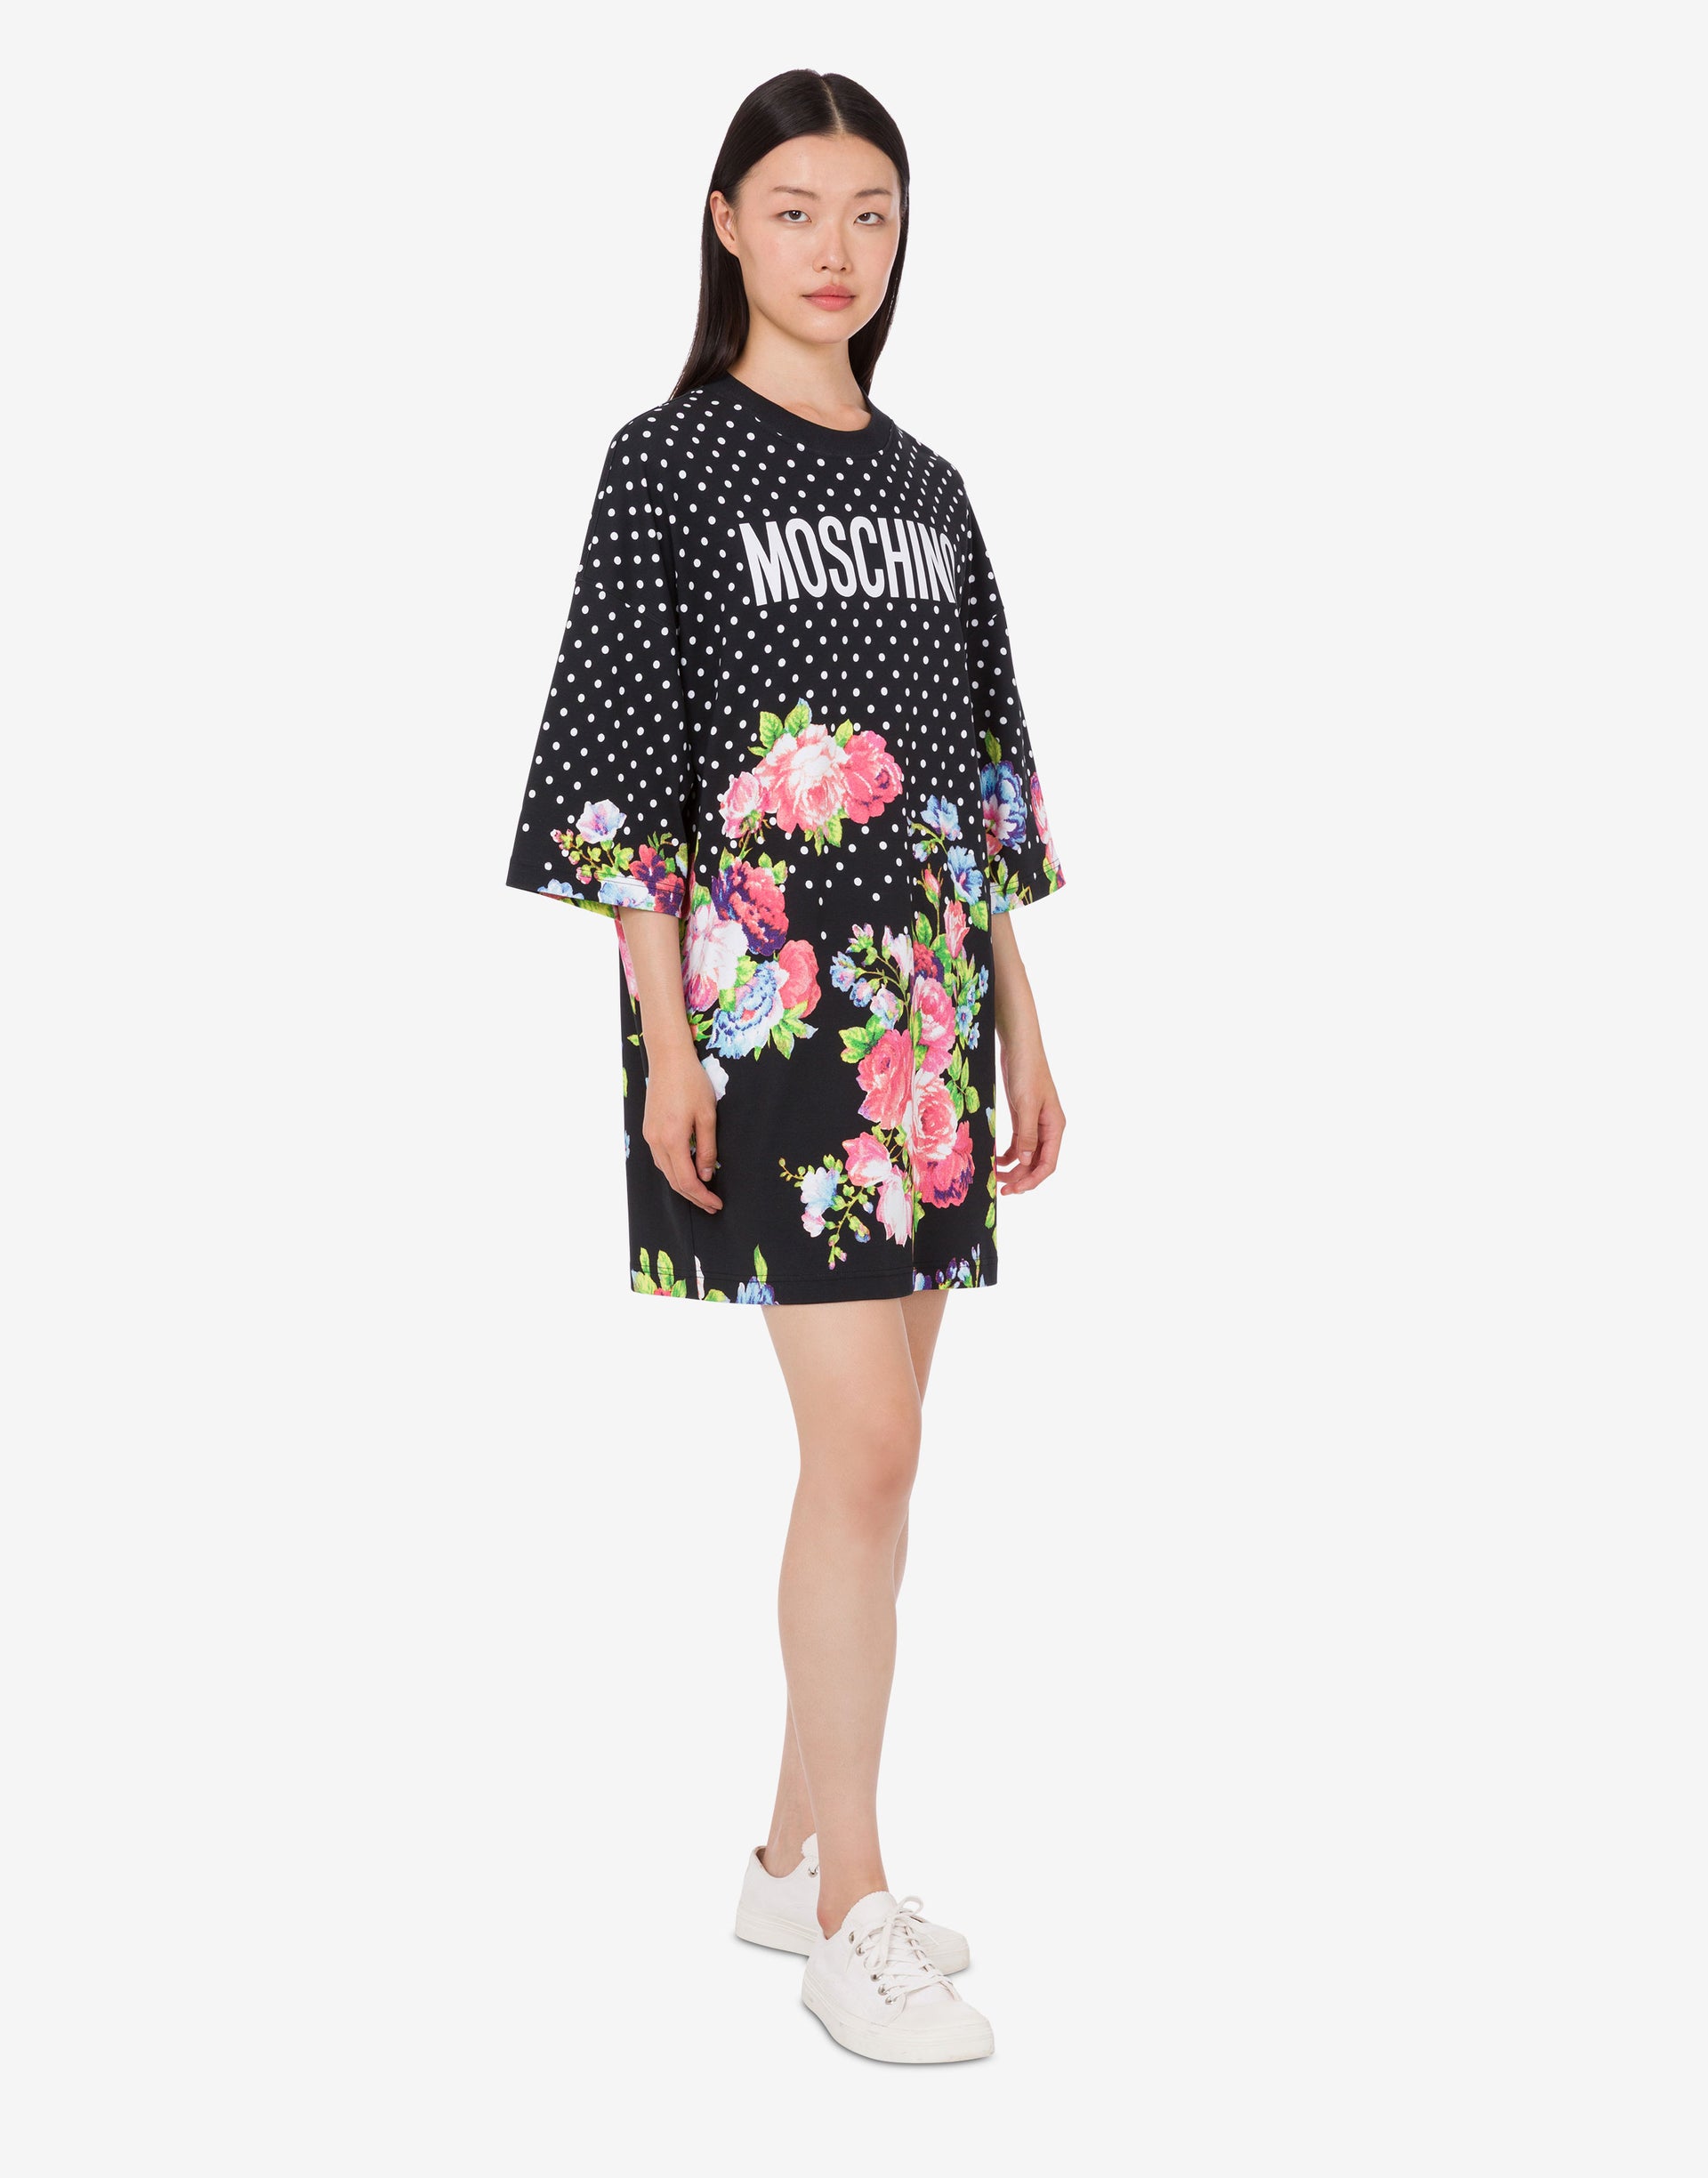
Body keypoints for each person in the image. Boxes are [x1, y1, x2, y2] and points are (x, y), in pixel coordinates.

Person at [504, 69, 1068, 2063]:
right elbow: (622, 784)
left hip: (924, 1027)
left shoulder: (933, 489)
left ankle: (781, 1855)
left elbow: (977, 790)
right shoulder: (664, 467)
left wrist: (1022, 1027)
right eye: (801, 208)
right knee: (872, 1452)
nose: (839, 250)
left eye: (874, 213)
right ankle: (852, 1912)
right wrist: (667, 1043)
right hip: (765, 1024)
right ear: (727, 220)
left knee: (874, 1463)